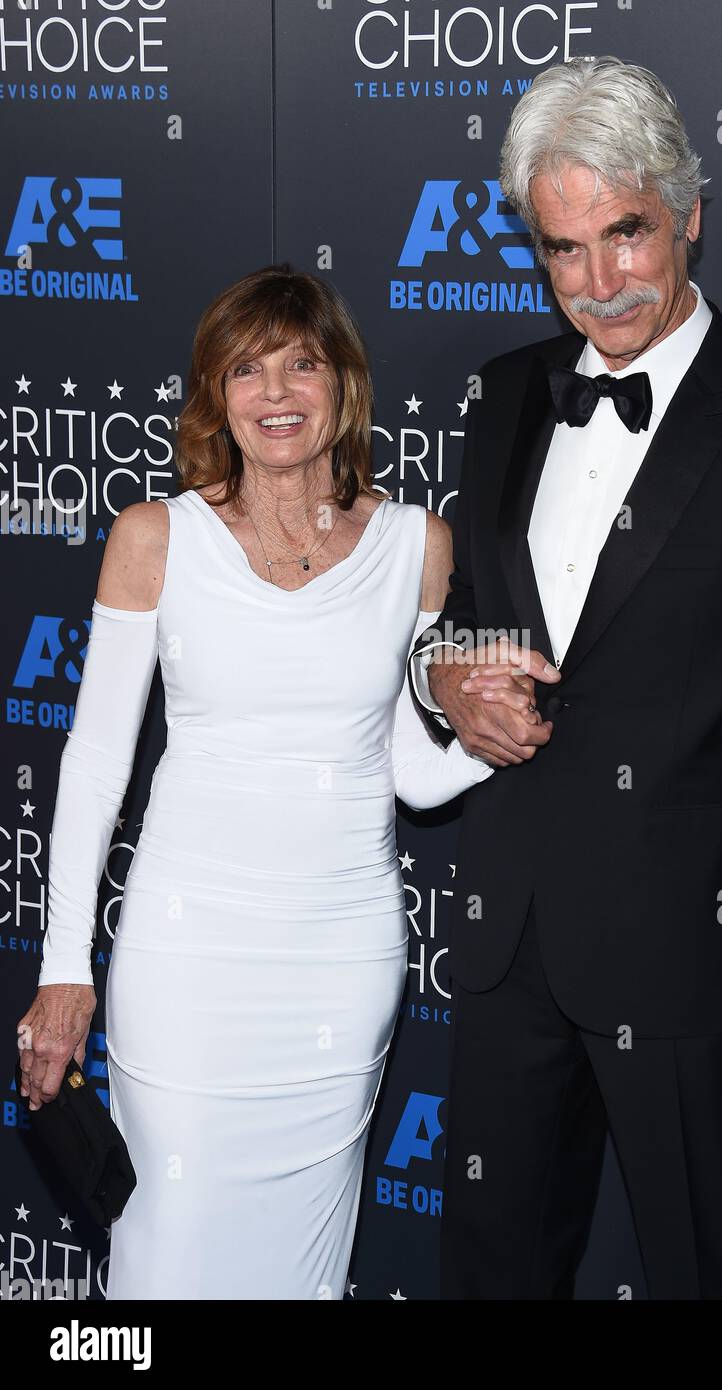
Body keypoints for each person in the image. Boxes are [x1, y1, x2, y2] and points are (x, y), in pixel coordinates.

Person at [407, 56, 722, 1299]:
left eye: (623, 233)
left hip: (699, 962)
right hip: (512, 940)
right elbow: (460, 626)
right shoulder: (502, 395)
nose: (598, 281)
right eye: (562, 248)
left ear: (686, 210)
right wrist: (447, 685)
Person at [16, 264, 520, 1300]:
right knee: (166, 1245)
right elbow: (98, 759)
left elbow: (413, 777)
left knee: (300, 1268)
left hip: (339, 960)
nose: (277, 392)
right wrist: (65, 966)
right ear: (214, 391)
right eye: (246, 368)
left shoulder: (415, 546)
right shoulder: (156, 539)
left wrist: (491, 730)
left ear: (343, 384)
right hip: (185, 959)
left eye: (302, 363)